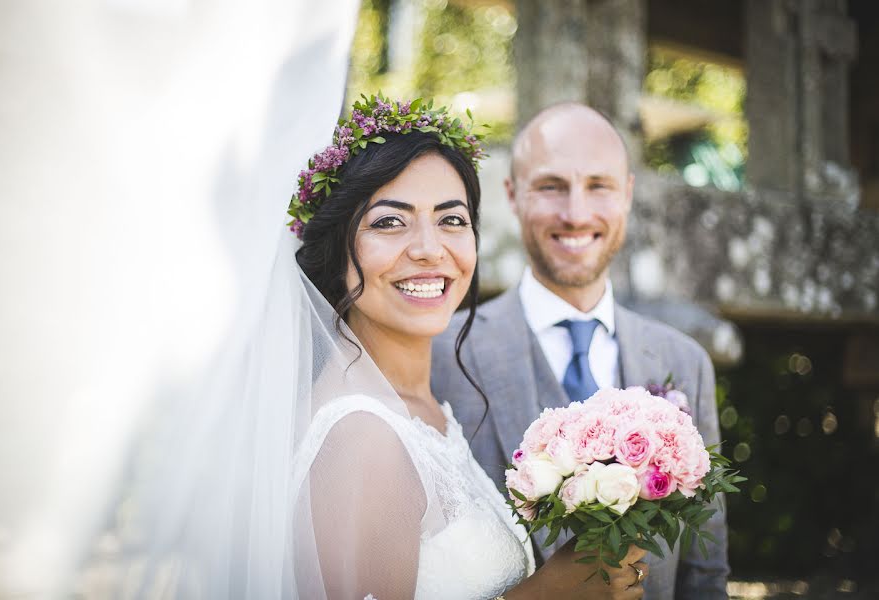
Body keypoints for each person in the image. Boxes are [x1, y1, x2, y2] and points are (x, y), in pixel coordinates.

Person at [288, 95, 649, 599]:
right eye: (390, 221)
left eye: (451, 219)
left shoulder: (426, 409)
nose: (430, 248)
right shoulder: (360, 434)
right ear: (335, 251)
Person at [432, 103, 730, 599]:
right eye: (551, 186)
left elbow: (704, 577)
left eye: (599, 185)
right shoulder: (443, 354)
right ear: (512, 195)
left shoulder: (684, 362)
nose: (575, 213)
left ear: (628, 194)